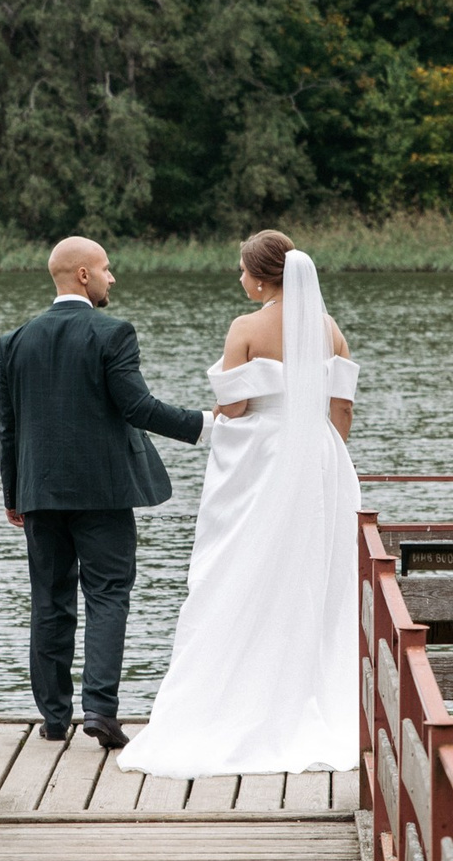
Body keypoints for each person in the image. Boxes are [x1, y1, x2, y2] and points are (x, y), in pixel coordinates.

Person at [118, 230, 361, 778]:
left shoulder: (245, 328)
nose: (240, 277)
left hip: (266, 461)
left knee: (243, 568)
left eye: (242, 269)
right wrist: (321, 454)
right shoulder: (330, 329)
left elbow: (233, 409)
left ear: (259, 277)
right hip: (321, 460)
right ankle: (312, 696)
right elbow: (342, 411)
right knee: (314, 575)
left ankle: (237, 701)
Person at [0, 236, 210, 750]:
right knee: (108, 595)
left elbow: (9, 427)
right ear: (84, 275)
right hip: (105, 494)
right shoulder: (113, 332)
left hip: (38, 493)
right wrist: (206, 424)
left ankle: (53, 719)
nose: (112, 277)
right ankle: (99, 710)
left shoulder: (15, 340)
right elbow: (137, 406)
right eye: (107, 269)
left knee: (49, 600)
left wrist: (12, 494)